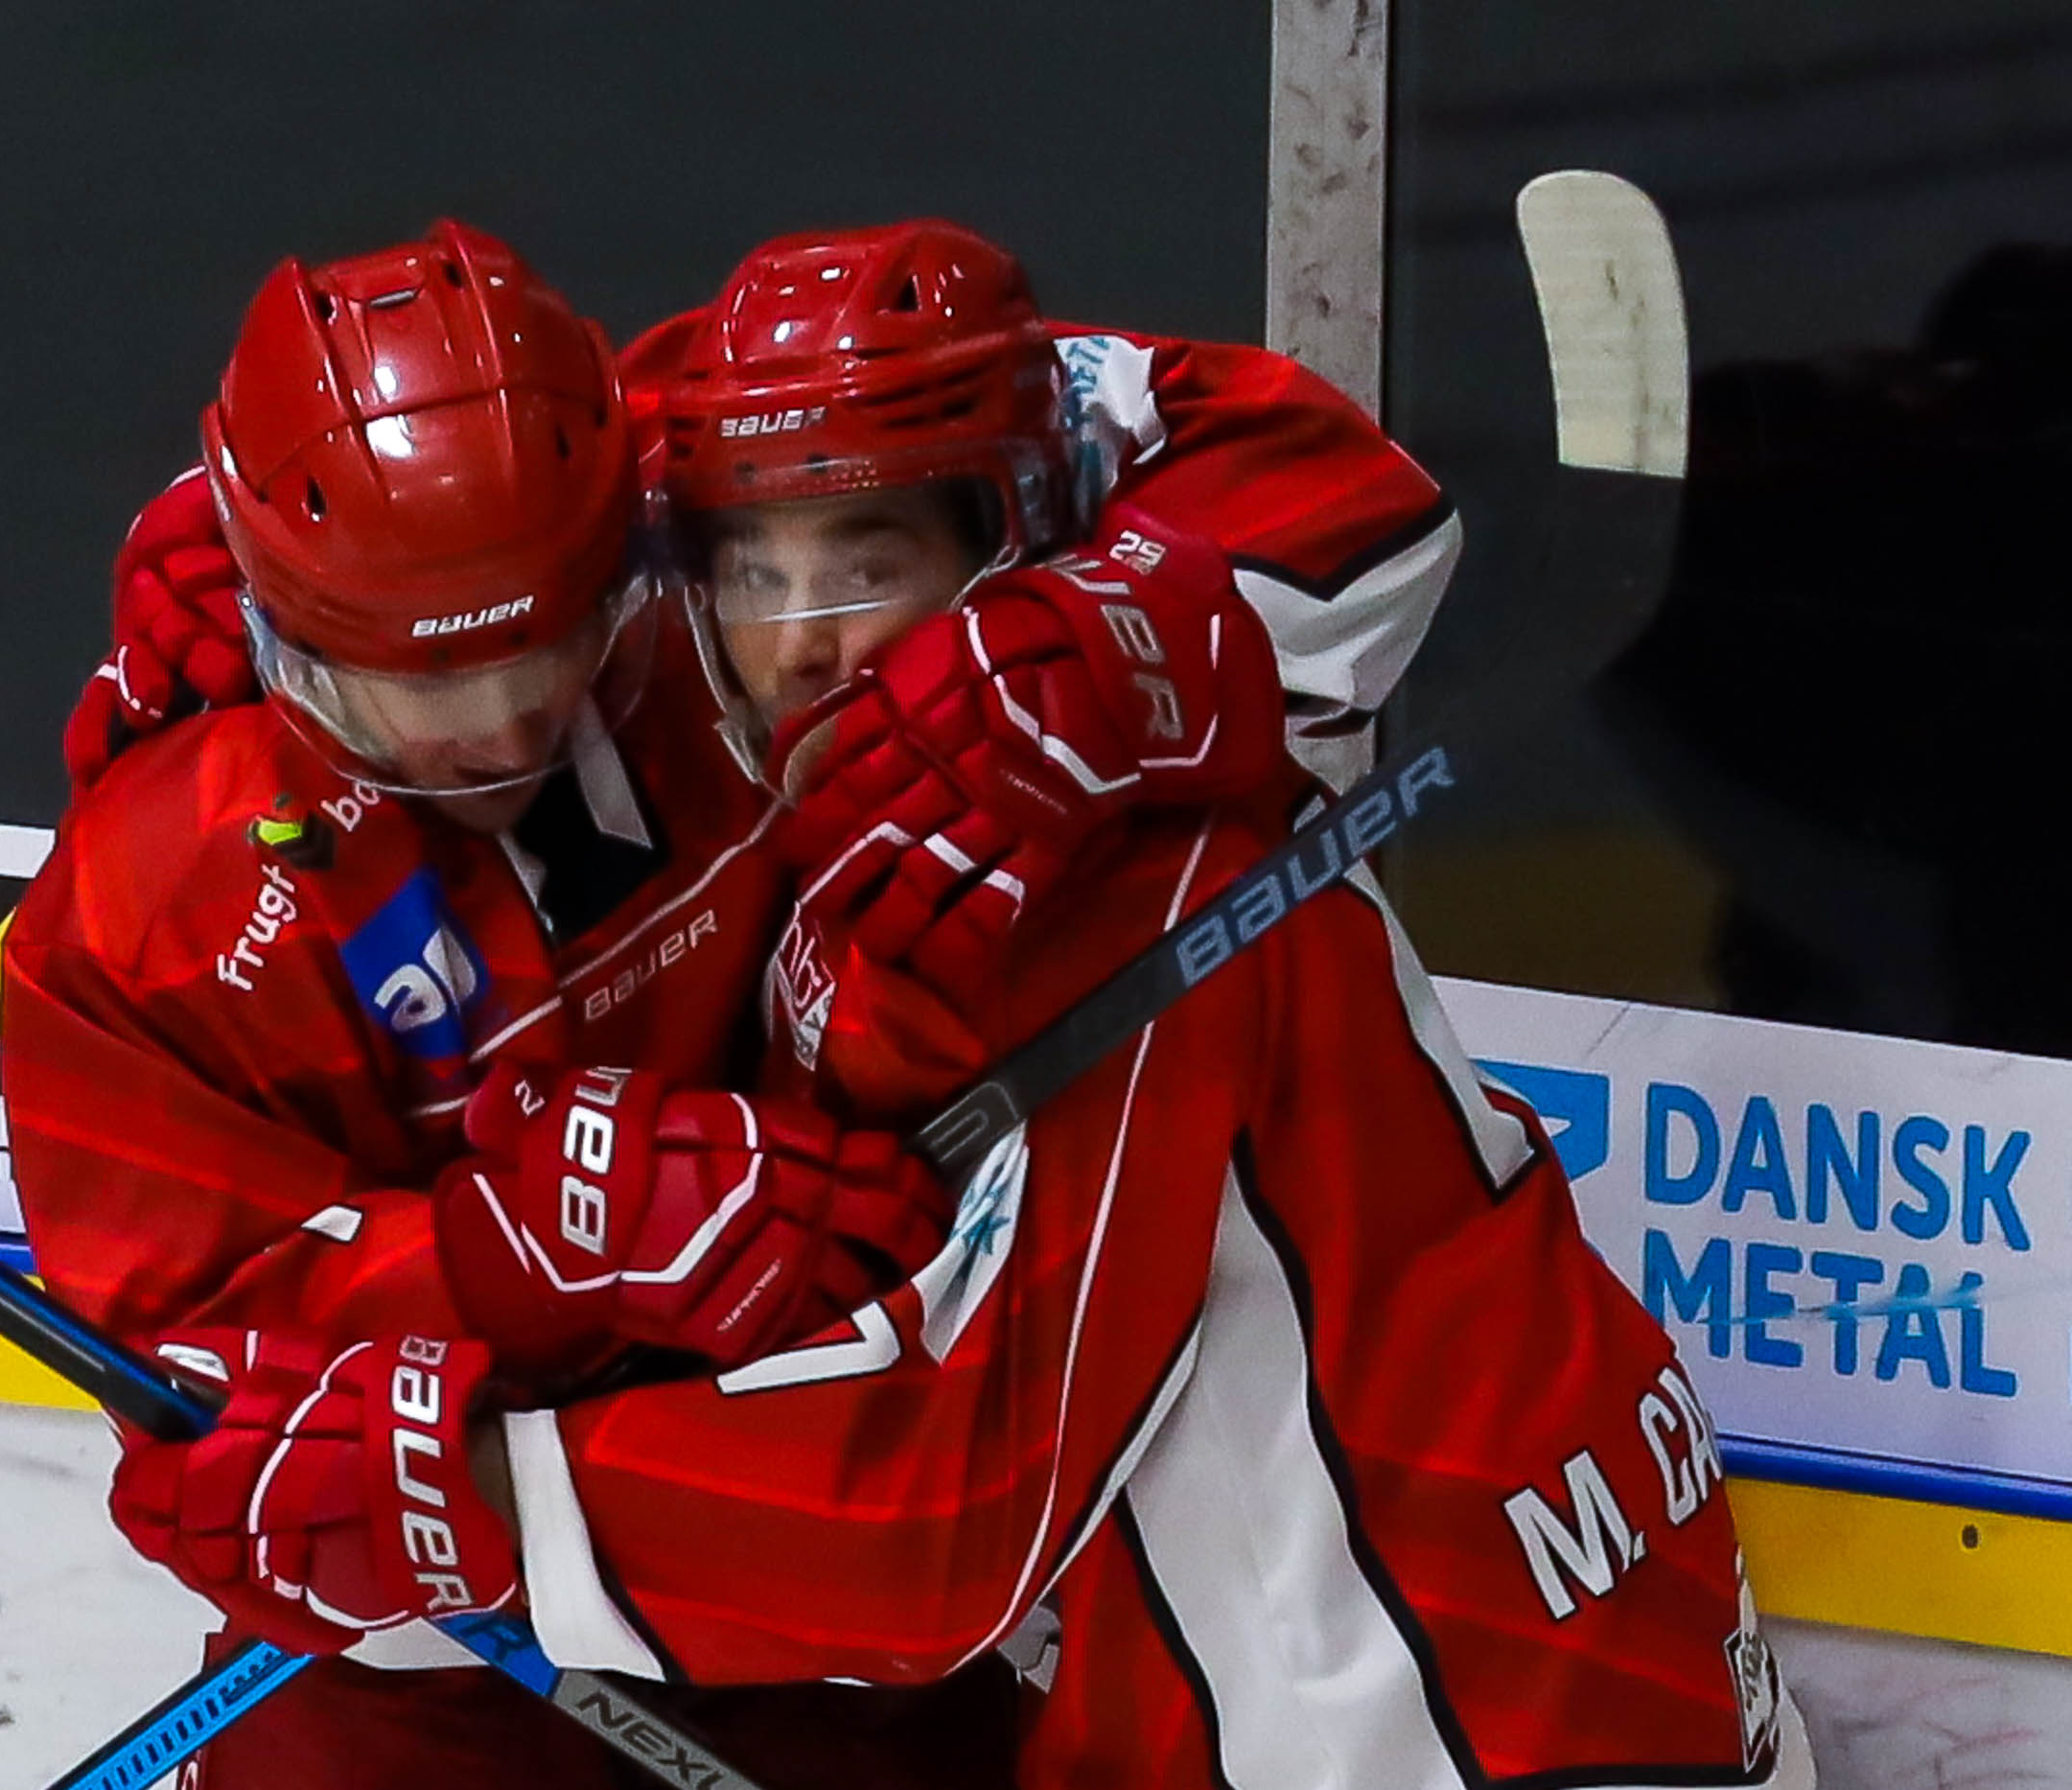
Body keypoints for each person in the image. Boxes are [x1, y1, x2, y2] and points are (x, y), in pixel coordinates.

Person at [112, 224, 1814, 1789]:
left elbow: (950, 1510)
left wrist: (468, 1499)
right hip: (1464, 1644)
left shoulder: (1111, 856)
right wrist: (389, 504)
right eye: (753, 573)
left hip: (1461, 1719)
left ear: (1017, 536)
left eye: (868, 558)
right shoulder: (1082, 743)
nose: (809, 644)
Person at [5, 221, 1291, 1790]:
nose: (496, 735)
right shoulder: (154, 906)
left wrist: (1123, 643)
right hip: (436, 1649)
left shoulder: (736, 625)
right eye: (413, 688)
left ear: (625, 540)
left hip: (810, 1575)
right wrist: (517, 1256)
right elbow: (198, 1398)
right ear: (286, 631)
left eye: (547, 648)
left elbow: (1127, 429)